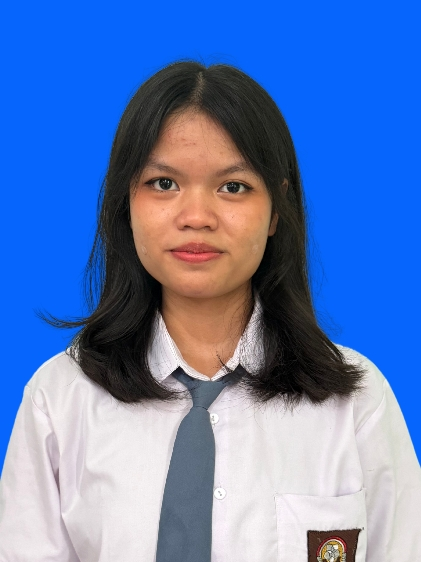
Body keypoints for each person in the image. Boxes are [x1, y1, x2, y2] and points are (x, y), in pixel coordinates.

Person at [0, 59, 420, 562]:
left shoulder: (356, 403)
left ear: (276, 210)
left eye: (233, 187)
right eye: (163, 183)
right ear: (125, 201)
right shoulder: (60, 400)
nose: (196, 217)